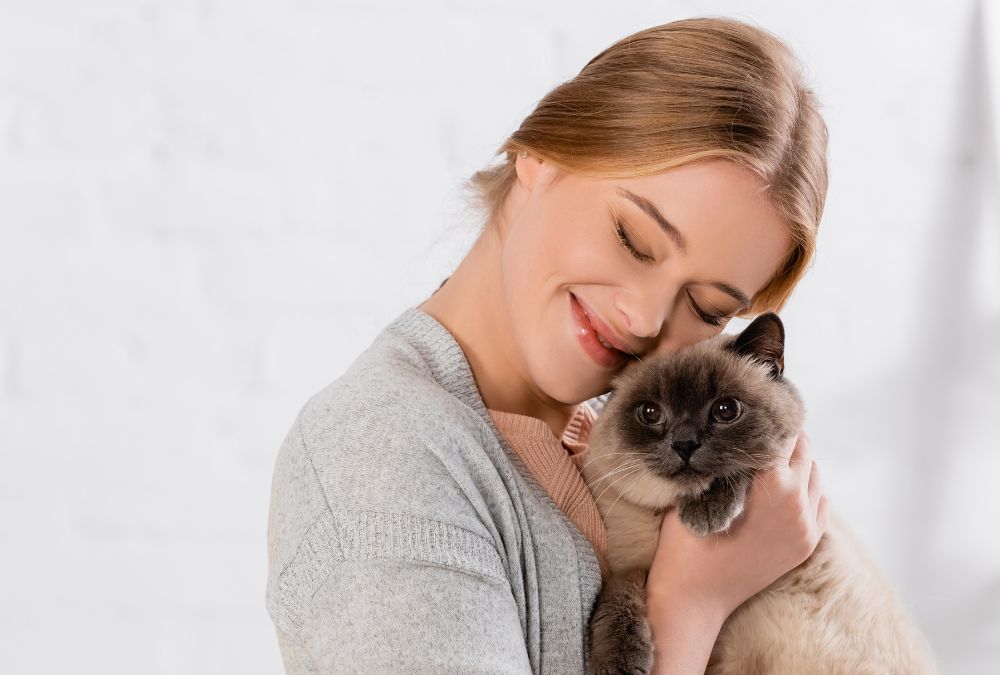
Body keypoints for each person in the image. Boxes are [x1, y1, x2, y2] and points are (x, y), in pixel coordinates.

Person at [265, 15, 830, 675]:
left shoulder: (600, 450)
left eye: (705, 307)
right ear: (541, 151)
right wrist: (691, 600)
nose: (645, 317)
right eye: (634, 239)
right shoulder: (385, 454)